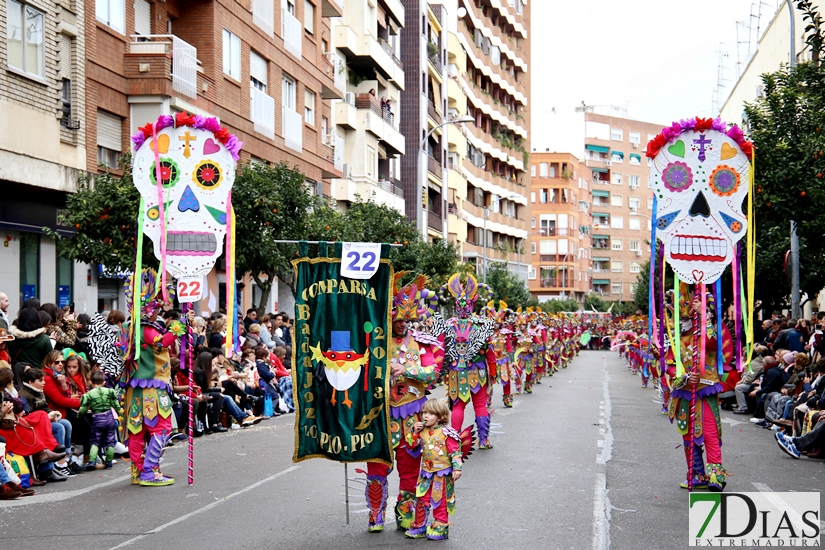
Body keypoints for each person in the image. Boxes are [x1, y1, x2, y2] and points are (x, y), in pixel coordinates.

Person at [362, 276, 443, 532]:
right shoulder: (374, 341)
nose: (401, 325)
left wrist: (406, 368)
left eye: (405, 320)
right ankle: (375, 513)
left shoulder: (421, 341)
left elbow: (433, 372)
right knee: (377, 465)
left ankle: (405, 512)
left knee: (410, 468)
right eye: (397, 319)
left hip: (412, 416)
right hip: (379, 414)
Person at [666, 286, 732, 491]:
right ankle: (696, 474)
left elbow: (714, 343)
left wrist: (704, 315)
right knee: (688, 435)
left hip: (706, 390)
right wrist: (684, 377)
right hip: (685, 392)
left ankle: (715, 476)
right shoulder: (676, 338)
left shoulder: (709, 331)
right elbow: (669, 364)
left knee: (711, 433)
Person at [439, 273, 496, 449]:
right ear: (473, 304)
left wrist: (441, 370)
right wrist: (493, 373)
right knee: (480, 405)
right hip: (477, 372)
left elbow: (441, 349)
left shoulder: (447, 325)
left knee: (458, 406)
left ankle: (453, 442)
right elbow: (490, 352)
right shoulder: (482, 325)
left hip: (456, 372)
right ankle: (483, 440)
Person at [405, 398, 464, 540]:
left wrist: (457, 468)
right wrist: (413, 433)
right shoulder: (421, 431)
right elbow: (412, 447)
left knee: (440, 499)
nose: (425, 416)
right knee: (422, 497)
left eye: (430, 413)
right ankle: (420, 525)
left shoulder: (446, 432)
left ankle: (440, 526)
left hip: (442, 473)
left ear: (440, 416)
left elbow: (455, 452)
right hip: (425, 472)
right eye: (424, 412)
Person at [18, 367, 78, 477]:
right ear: (30, 382)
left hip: (44, 420)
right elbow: (28, 416)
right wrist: (47, 416)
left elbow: (45, 407)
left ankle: (65, 459)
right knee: (59, 427)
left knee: (66, 423)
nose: (44, 382)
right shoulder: (24, 396)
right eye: (40, 380)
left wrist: (53, 413)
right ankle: (55, 464)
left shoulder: (39, 392)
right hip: (35, 424)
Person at [78, 371, 121, 470]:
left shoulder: (88, 394)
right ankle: (109, 462)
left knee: (95, 442)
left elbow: (83, 409)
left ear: (90, 382)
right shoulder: (110, 391)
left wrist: (80, 416)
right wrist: (119, 415)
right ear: (104, 382)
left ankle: (92, 461)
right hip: (109, 418)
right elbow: (116, 405)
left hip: (97, 419)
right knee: (109, 441)